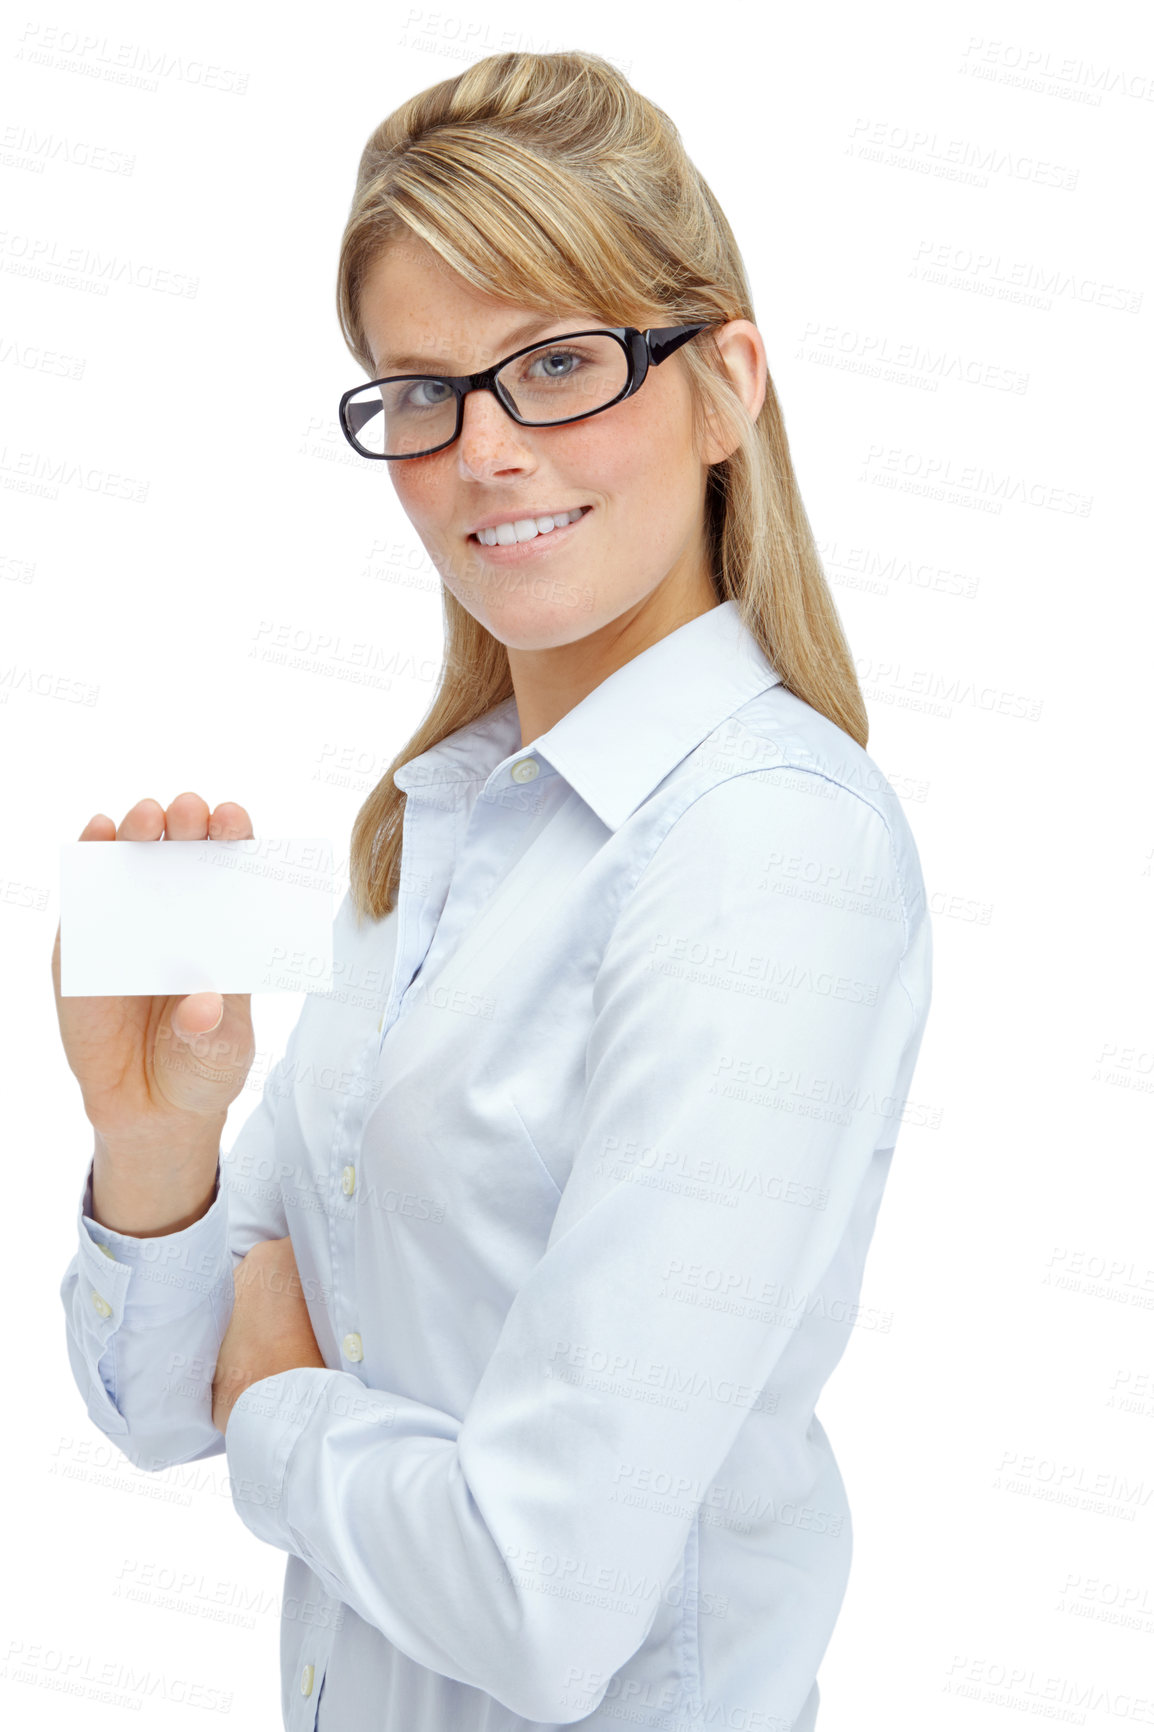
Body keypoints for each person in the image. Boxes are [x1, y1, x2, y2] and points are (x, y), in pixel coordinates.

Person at [52, 49, 933, 1732]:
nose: (485, 453)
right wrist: (156, 1151)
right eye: (422, 393)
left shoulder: (764, 853)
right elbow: (159, 1403)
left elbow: (537, 1605)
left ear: (724, 383)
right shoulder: (429, 833)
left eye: (559, 363)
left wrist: (287, 1397)